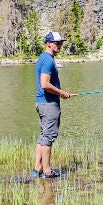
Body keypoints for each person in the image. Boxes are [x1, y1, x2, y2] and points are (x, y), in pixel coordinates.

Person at [33, 30, 75, 178]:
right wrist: (62, 93)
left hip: (42, 102)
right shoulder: (48, 60)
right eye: (57, 43)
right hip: (49, 104)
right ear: (48, 43)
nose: (60, 46)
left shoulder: (43, 58)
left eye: (61, 43)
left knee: (43, 136)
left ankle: (37, 169)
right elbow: (45, 84)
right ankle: (47, 171)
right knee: (48, 137)